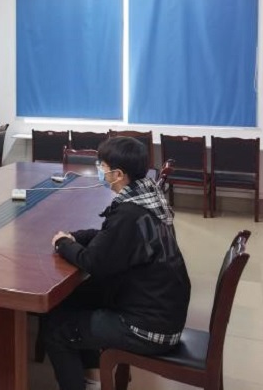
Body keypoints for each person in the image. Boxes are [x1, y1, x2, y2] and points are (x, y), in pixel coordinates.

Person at [42, 136, 190, 390]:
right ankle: (88, 371)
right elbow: (109, 236)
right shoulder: (146, 196)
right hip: (163, 311)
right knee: (73, 298)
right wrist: (76, 237)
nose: (99, 170)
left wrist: (63, 244)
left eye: (102, 166)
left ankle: (80, 377)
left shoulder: (129, 214)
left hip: (148, 328)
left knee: (56, 330)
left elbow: (92, 261)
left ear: (118, 174)